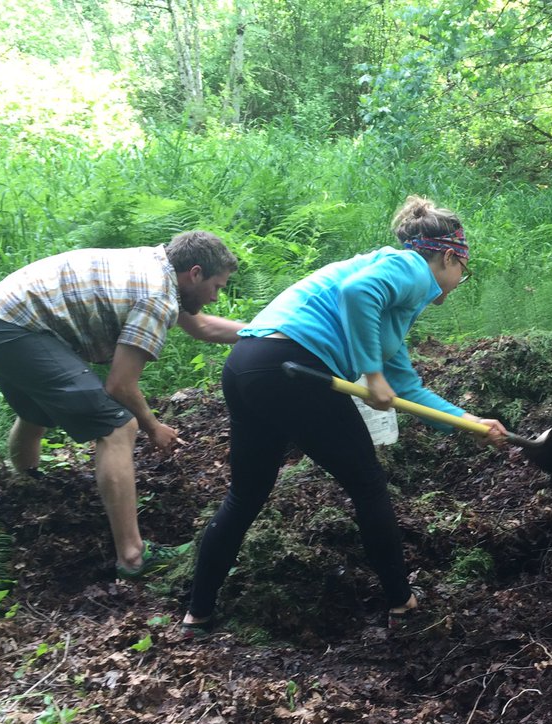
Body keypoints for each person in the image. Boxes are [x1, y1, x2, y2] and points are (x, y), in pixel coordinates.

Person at [181, 196, 507, 636]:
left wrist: (469, 422)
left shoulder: (388, 310)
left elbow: (407, 388)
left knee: (247, 494)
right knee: (368, 484)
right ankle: (402, 602)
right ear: (449, 256)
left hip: (248, 364)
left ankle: (197, 613)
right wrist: (371, 373)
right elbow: (359, 295)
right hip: (291, 365)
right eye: (461, 275)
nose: (455, 285)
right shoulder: (409, 266)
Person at [0, 231, 246, 579]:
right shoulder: (156, 296)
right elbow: (120, 385)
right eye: (217, 287)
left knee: (34, 412)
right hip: (14, 330)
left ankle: (28, 493)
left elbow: (202, 326)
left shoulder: (157, 266)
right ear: (195, 273)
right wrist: (153, 426)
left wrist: (269, 331)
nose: (216, 298)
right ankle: (132, 555)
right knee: (119, 425)